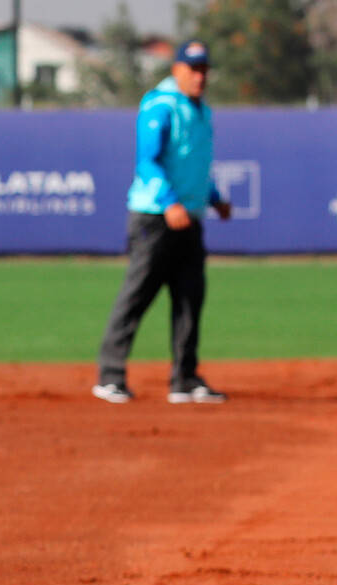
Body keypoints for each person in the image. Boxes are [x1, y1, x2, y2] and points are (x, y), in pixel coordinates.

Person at [93, 39, 233, 405]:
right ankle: (110, 377)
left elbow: (194, 164)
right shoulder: (161, 104)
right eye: (192, 68)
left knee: (190, 298)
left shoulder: (202, 110)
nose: (199, 76)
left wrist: (215, 198)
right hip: (155, 218)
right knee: (137, 296)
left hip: (190, 218)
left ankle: (184, 379)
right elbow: (147, 162)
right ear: (176, 70)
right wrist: (170, 203)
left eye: (204, 69)